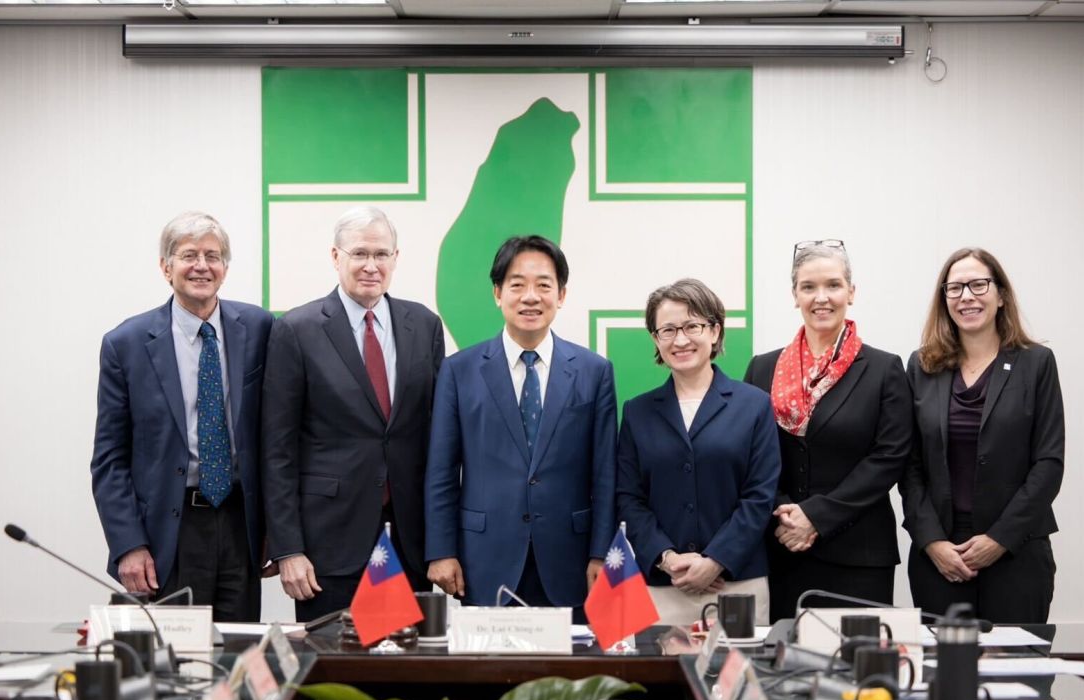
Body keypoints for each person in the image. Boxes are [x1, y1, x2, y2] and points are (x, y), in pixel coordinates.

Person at [261, 206, 445, 621]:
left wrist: (443, 543)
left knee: (409, 674)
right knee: (334, 674)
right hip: (329, 546)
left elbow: (438, 440)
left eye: (381, 254)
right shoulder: (297, 329)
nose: (371, 266)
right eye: (359, 253)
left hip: (409, 544)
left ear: (396, 259)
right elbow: (277, 450)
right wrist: (288, 548)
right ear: (335, 256)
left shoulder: (425, 325)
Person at [91, 211, 274, 621]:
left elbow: (276, 438)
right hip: (166, 534)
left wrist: (276, 532)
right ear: (165, 266)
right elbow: (110, 458)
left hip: (240, 525)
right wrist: (128, 544)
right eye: (189, 255)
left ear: (225, 268)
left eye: (213, 255)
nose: (202, 266)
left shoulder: (260, 328)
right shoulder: (127, 344)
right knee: (173, 665)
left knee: (237, 661)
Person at [425, 235, 616, 611]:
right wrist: (441, 551)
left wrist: (601, 554)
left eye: (544, 285)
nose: (531, 296)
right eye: (517, 284)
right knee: (487, 668)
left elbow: (606, 473)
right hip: (483, 557)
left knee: (568, 667)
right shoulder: (459, 370)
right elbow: (442, 471)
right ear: (498, 293)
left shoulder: (595, 372)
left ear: (561, 295)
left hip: (571, 559)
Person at [743, 240, 911, 621]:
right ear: (794, 295)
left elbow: (889, 458)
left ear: (851, 292)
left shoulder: (884, 369)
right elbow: (752, 456)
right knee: (786, 674)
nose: (822, 297)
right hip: (784, 549)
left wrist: (816, 517)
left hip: (859, 556)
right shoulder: (762, 369)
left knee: (861, 675)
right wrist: (786, 516)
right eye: (809, 287)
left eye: (833, 285)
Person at [901, 248, 1063, 623]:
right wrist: (932, 542)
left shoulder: (1036, 363)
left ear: (1001, 295)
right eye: (955, 288)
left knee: (1019, 676)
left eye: (978, 284)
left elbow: (1049, 463)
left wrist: (999, 540)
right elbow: (909, 466)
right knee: (941, 678)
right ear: (944, 299)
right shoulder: (921, 365)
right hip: (940, 557)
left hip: (1017, 551)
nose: (966, 296)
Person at [616, 279, 781, 626]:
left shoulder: (753, 405)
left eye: (692, 326)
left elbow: (760, 495)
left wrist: (716, 559)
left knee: (737, 680)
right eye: (668, 329)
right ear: (655, 340)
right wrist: (666, 557)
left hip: (737, 583)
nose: (681, 339)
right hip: (663, 586)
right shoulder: (637, 411)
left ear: (715, 331)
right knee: (660, 680)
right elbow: (629, 497)